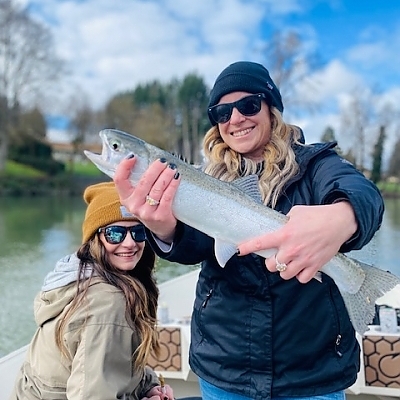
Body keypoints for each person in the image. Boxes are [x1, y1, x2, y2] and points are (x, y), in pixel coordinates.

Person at [113, 61, 385, 400]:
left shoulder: (317, 164)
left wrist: (344, 217)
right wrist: (163, 229)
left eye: (249, 105)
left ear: (272, 109)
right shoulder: (204, 178)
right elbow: (194, 246)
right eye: (223, 112)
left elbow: (363, 193)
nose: (236, 118)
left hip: (310, 372)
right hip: (224, 369)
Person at [11, 182, 174, 400]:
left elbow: (113, 365)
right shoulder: (107, 303)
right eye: (115, 233)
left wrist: (148, 386)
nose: (129, 243)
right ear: (94, 238)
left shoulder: (75, 274)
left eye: (138, 231)